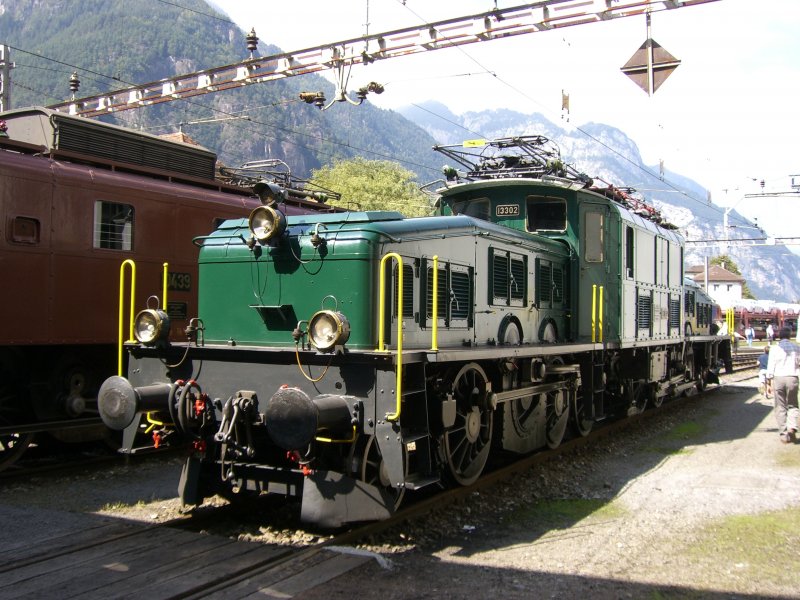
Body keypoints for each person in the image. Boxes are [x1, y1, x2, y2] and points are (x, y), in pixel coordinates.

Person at [766, 327, 800, 444]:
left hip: (778, 378)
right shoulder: (797, 347)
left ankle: (784, 435)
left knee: (780, 406)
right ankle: (792, 427)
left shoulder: (774, 349)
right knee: (793, 404)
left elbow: (770, 367)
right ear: (790, 335)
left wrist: (768, 383)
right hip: (792, 377)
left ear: (779, 336)